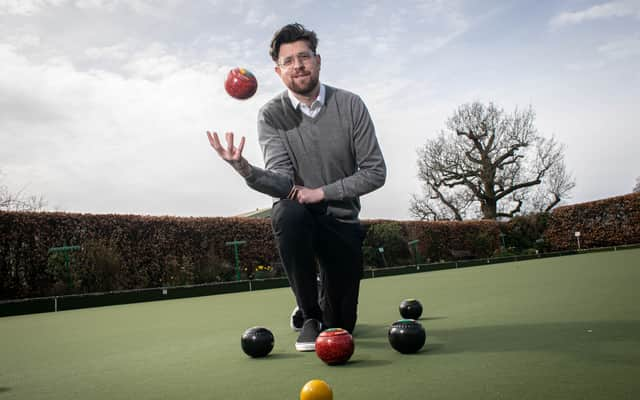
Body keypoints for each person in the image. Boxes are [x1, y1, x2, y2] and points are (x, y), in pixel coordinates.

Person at [207, 23, 386, 351]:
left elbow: (375, 172)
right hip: (301, 213)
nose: (298, 65)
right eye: (288, 61)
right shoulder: (271, 115)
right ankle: (308, 314)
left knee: (342, 329)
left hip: (342, 220)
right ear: (278, 71)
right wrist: (246, 170)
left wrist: (322, 192)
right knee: (287, 213)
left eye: (304, 57)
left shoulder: (350, 105)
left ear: (318, 61)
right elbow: (282, 180)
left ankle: (326, 302)